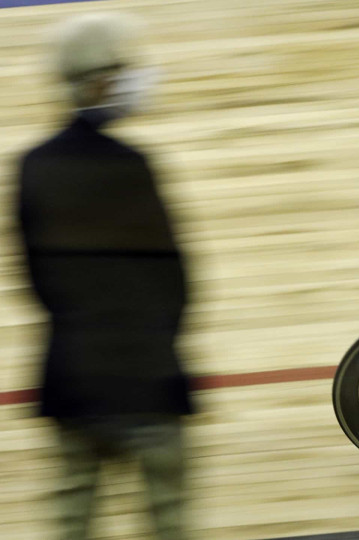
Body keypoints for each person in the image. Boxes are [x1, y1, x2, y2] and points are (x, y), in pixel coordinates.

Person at [15, 13, 191, 539]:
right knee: (168, 521)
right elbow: (176, 278)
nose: (135, 76)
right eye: (123, 68)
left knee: (73, 521)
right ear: (98, 80)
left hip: (72, 374)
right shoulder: (134, 164)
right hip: (148, 375)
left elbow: (34, 278)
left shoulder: (32, 165)